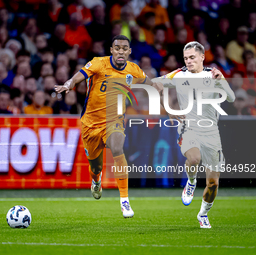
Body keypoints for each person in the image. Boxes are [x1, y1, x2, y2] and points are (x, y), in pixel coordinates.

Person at [55, 35, 162, 218]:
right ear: (111, 50)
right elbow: (78, 76)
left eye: (124, 48)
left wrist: (157, 87)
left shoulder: (133, 70)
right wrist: (69, 84)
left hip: (114, 121)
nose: (121, 51)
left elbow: (150, 84)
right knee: (95, 167)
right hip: (90, 124)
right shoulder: (98, 63)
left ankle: (124, 200)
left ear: (129, 52)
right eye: (117, 48)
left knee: (118, 147)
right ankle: (96, 180)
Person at [152, 41, 236, 228]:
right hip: (188, 127)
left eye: (192, 57)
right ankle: (190, 182)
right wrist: (169, 109)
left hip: (212, 131)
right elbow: (155, 83)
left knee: (213, 183)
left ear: (202, 57)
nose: (188, 61)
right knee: (195, 158)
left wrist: (222, 79)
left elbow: (231, 98)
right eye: (186, 58)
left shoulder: (213, 75)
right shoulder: (179, 74)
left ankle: (203, 214)